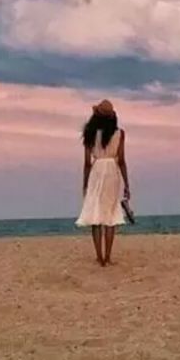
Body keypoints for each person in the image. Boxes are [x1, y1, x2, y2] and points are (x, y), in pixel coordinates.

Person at [76, 99, 131, 266]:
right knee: (110, 215)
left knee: (96, 213)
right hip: (112, 171)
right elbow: (122, 160)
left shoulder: (90, 134)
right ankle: (108, 257)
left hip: (97, 170)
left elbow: (87, 163)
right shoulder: (119, 133)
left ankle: (99, 257)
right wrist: (127, 183)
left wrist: (85, 183)